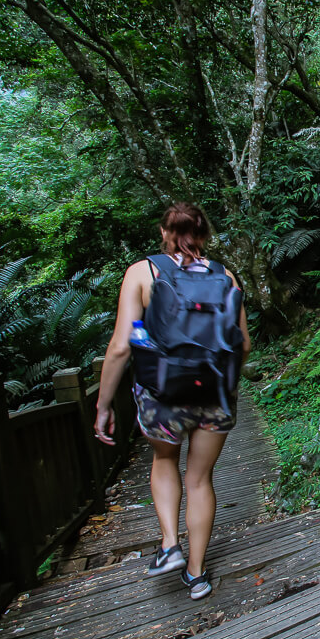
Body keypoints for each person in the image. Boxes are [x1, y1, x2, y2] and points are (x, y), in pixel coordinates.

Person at [94, 202, 250, 600]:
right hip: (214, 393)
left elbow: (119, 347)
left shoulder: (142, 272)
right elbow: (243, 344)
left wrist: (104, 404)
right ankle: (197, 575)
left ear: (164, 233)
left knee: (164, 460)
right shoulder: (225, 276)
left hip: (162, 393)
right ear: (204, 235)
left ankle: (169, 545)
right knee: (200, 479)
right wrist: (224, 386)